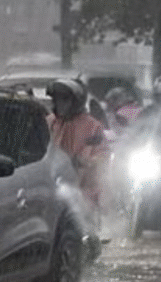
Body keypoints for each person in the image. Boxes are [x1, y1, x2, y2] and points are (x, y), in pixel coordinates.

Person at [45, 78, 111, 217]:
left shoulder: (92, 126)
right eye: (57, 99)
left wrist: (84, 161)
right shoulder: (50, 122)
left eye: (65, 99)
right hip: (53, 184)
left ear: (75, 101)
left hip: (83, 190)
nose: (60, 104)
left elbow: (103, 156)